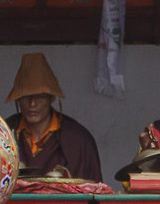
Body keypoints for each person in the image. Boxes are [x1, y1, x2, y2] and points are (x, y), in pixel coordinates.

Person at [6, 54, 104, 183]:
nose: (32, 104)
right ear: (18, 99)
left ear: (51, 98)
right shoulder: (3, 134)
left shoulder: (78, 139)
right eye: (26, 97)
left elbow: (94, 193)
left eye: (40, 97)